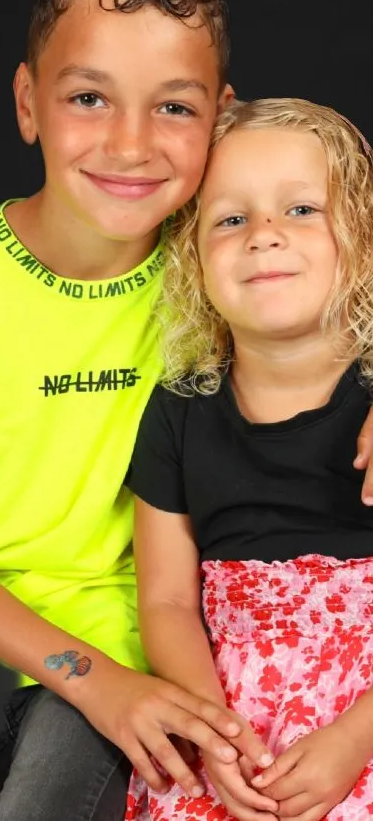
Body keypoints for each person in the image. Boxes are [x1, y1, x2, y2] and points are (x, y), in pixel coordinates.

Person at [0, 0, 280, 820]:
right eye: (88, 97)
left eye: (172, 107)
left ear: (220, 117)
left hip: (217, 641)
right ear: (29, 103)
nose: (131, 143)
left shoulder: (230, 259)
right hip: (41, 657)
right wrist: (93, 680)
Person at [125, 97, 373, 821]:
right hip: (233, 718)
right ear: (190, 257)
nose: (263, 236)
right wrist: (215, 735)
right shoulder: (178, 408)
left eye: (300, 210)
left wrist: (356, 735)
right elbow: (166, 600)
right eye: (230, 219)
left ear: (358, 238)